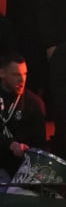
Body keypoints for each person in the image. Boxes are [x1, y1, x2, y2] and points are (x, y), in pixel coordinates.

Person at [0, 54, 47, 187]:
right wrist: (9, 144)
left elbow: (40, 144)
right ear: (2, 73)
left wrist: (27, 150)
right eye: (16, 75)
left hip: (21, 168)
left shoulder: (34, 103)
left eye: (25, 74)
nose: (22, 79)